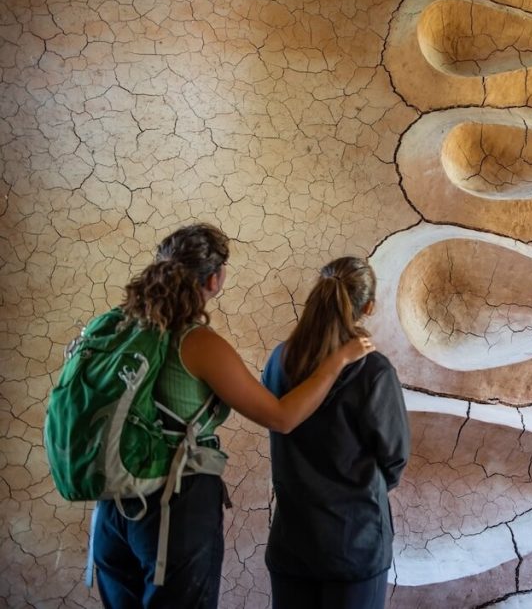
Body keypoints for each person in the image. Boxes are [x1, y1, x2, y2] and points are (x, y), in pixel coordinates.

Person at [92, 223, 374, 608]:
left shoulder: (119, 327)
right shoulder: (196, 342)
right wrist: (339, 359)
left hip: (110, 507)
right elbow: (282, 417)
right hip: (170, 509)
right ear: (214, 278)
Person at [262, 256, 410, 609]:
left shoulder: (280, 360)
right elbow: (395, 457)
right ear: (368, 307)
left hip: (292, 542)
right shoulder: (372, 370)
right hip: (354, 545)